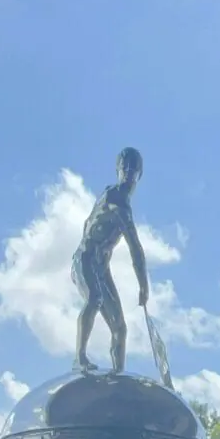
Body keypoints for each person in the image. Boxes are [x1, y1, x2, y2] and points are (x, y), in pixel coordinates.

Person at [72, 145, 148, 374]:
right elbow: (135, 248)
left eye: (133, 169)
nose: (128, 173)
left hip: (102, 266)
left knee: (120, 328)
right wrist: (143, 285)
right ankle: (80, 357)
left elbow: (136, 249)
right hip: (85, 259)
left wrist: (144, 285)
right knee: (94, 297)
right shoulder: (114, 198)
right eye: (124, 168)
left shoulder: (123, 204)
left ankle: (119, 374)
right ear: (118, 170)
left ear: (139, 175)